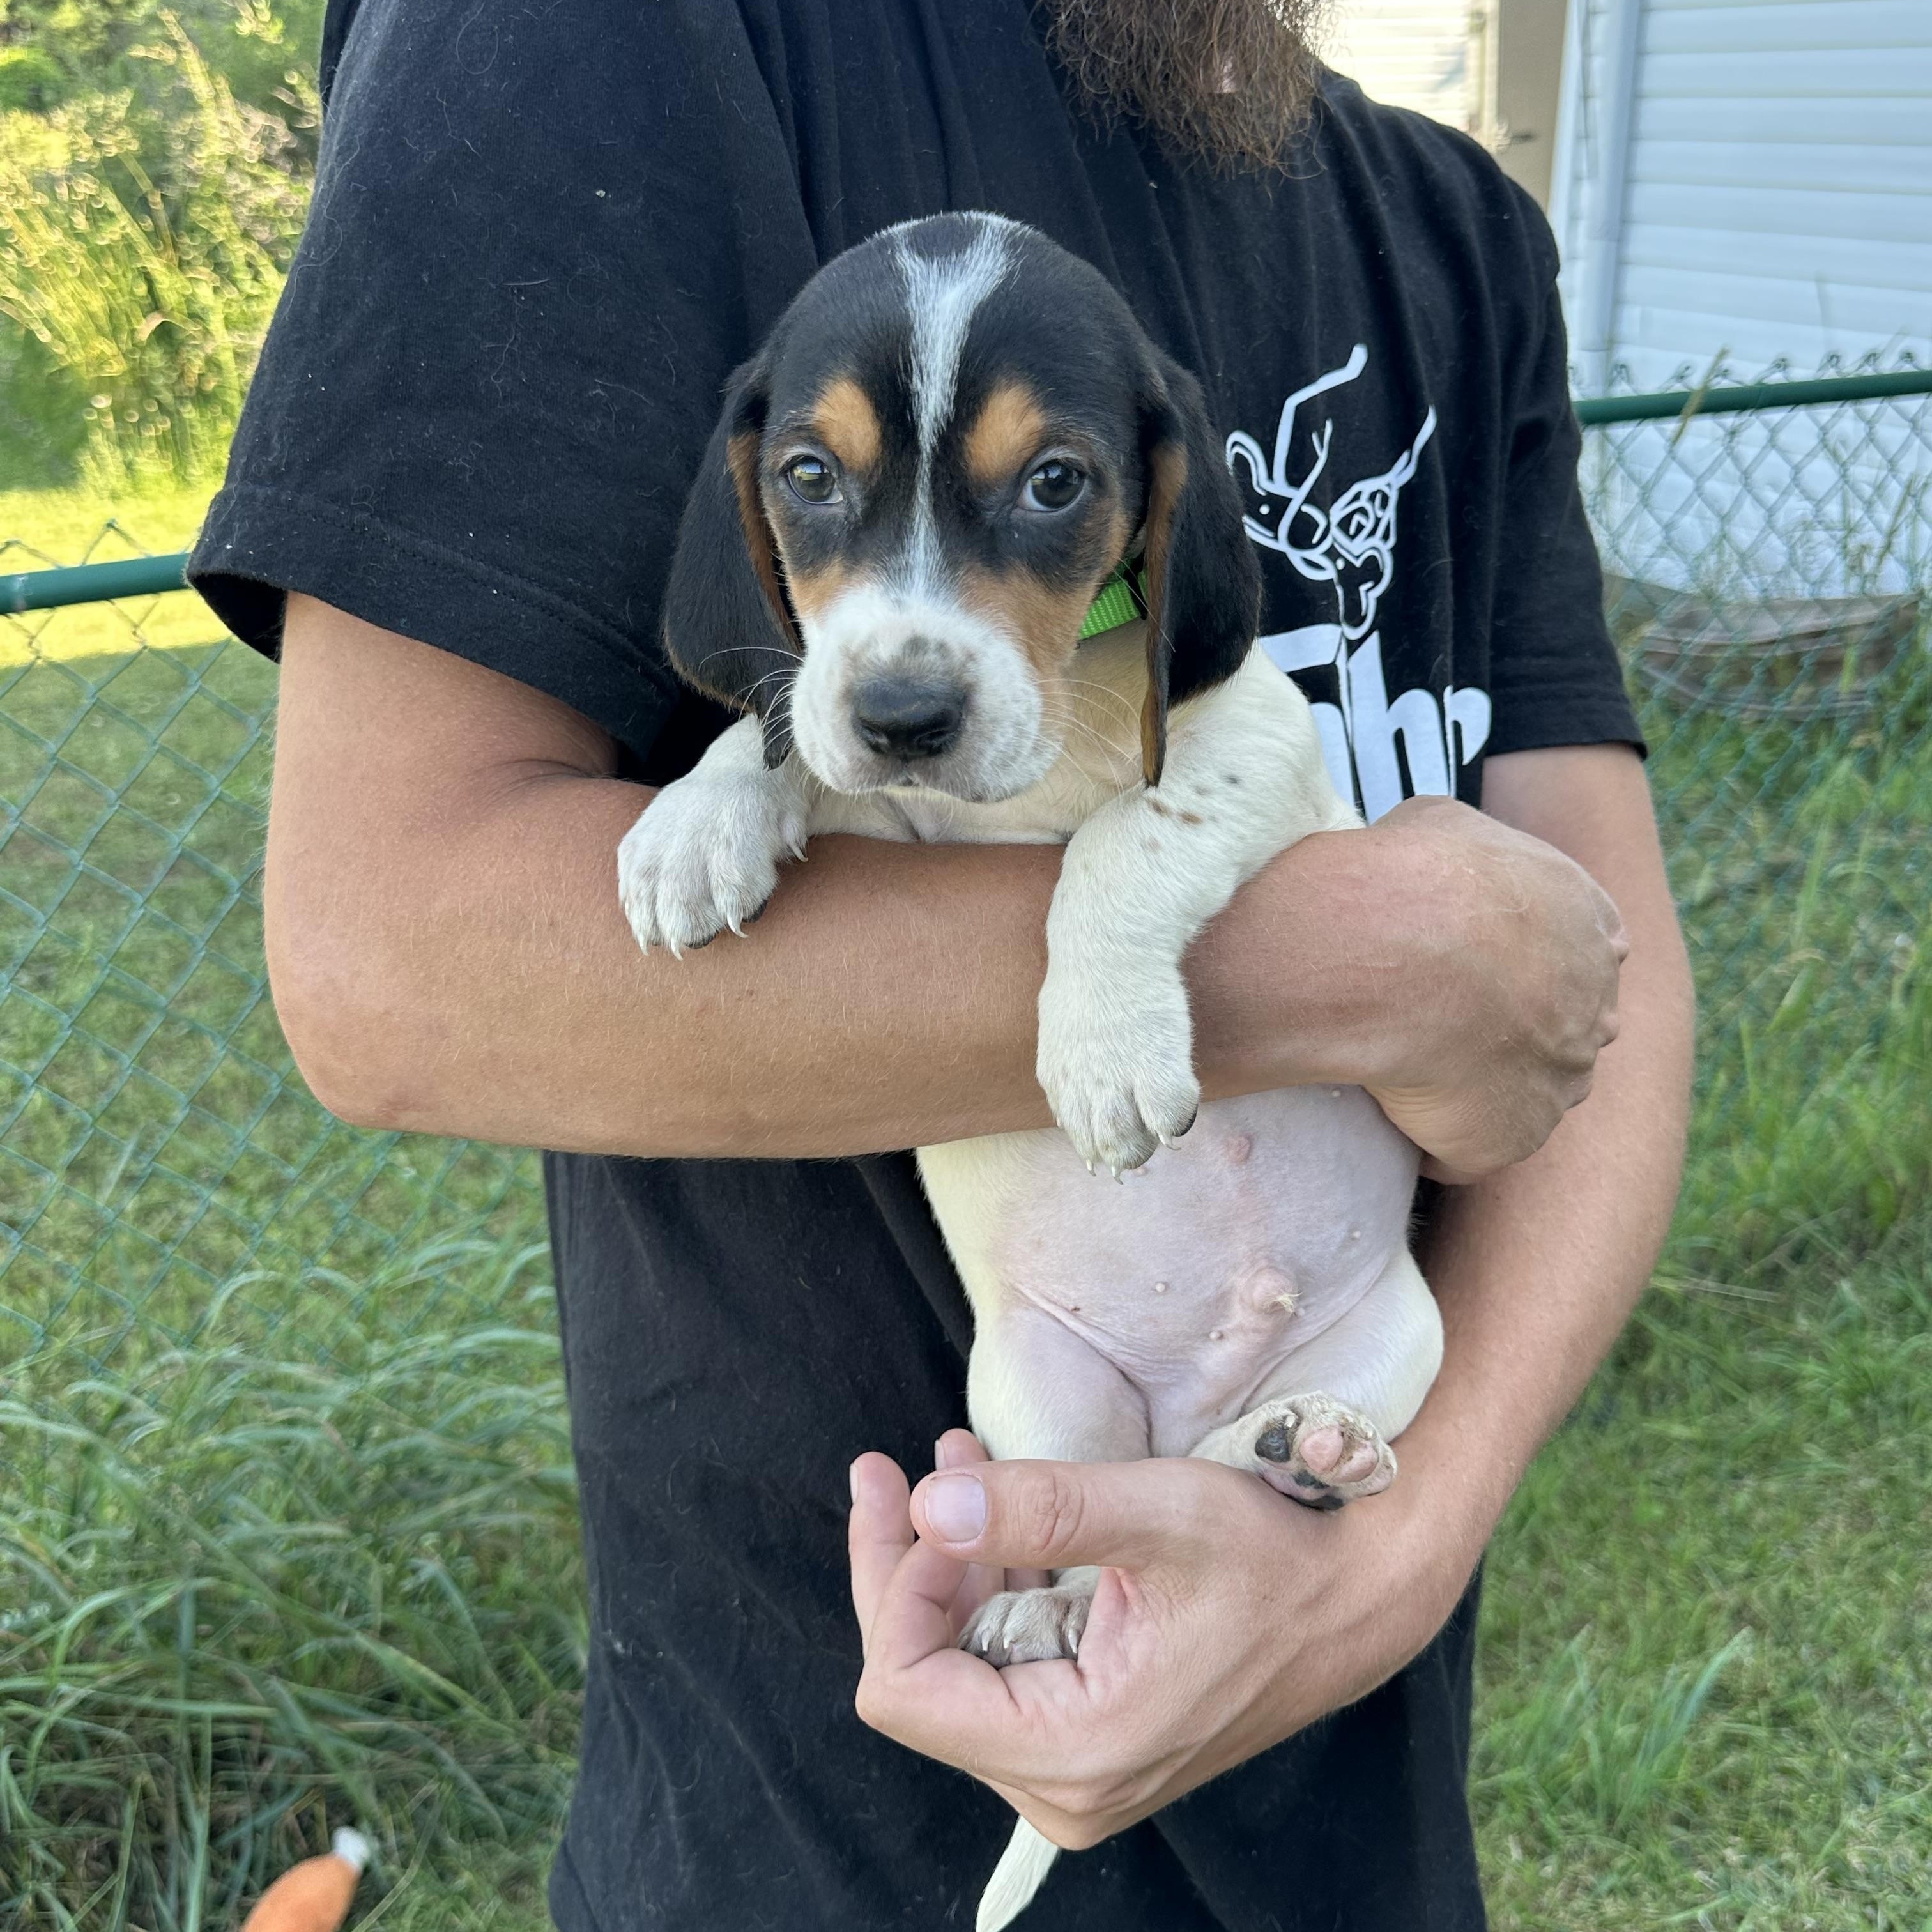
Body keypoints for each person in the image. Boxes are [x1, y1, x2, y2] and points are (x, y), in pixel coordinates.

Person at [190, 1, 1694, 1925]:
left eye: (1048, 493)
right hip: (821, 1815)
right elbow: (388, 965)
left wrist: (1389, 1564)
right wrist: (1344, 960)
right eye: (820, 498)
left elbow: (1604, 969)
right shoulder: (604, 41)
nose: (914, 637)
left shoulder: (1455, 228)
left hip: (1364, 1787)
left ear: (1150, 508)